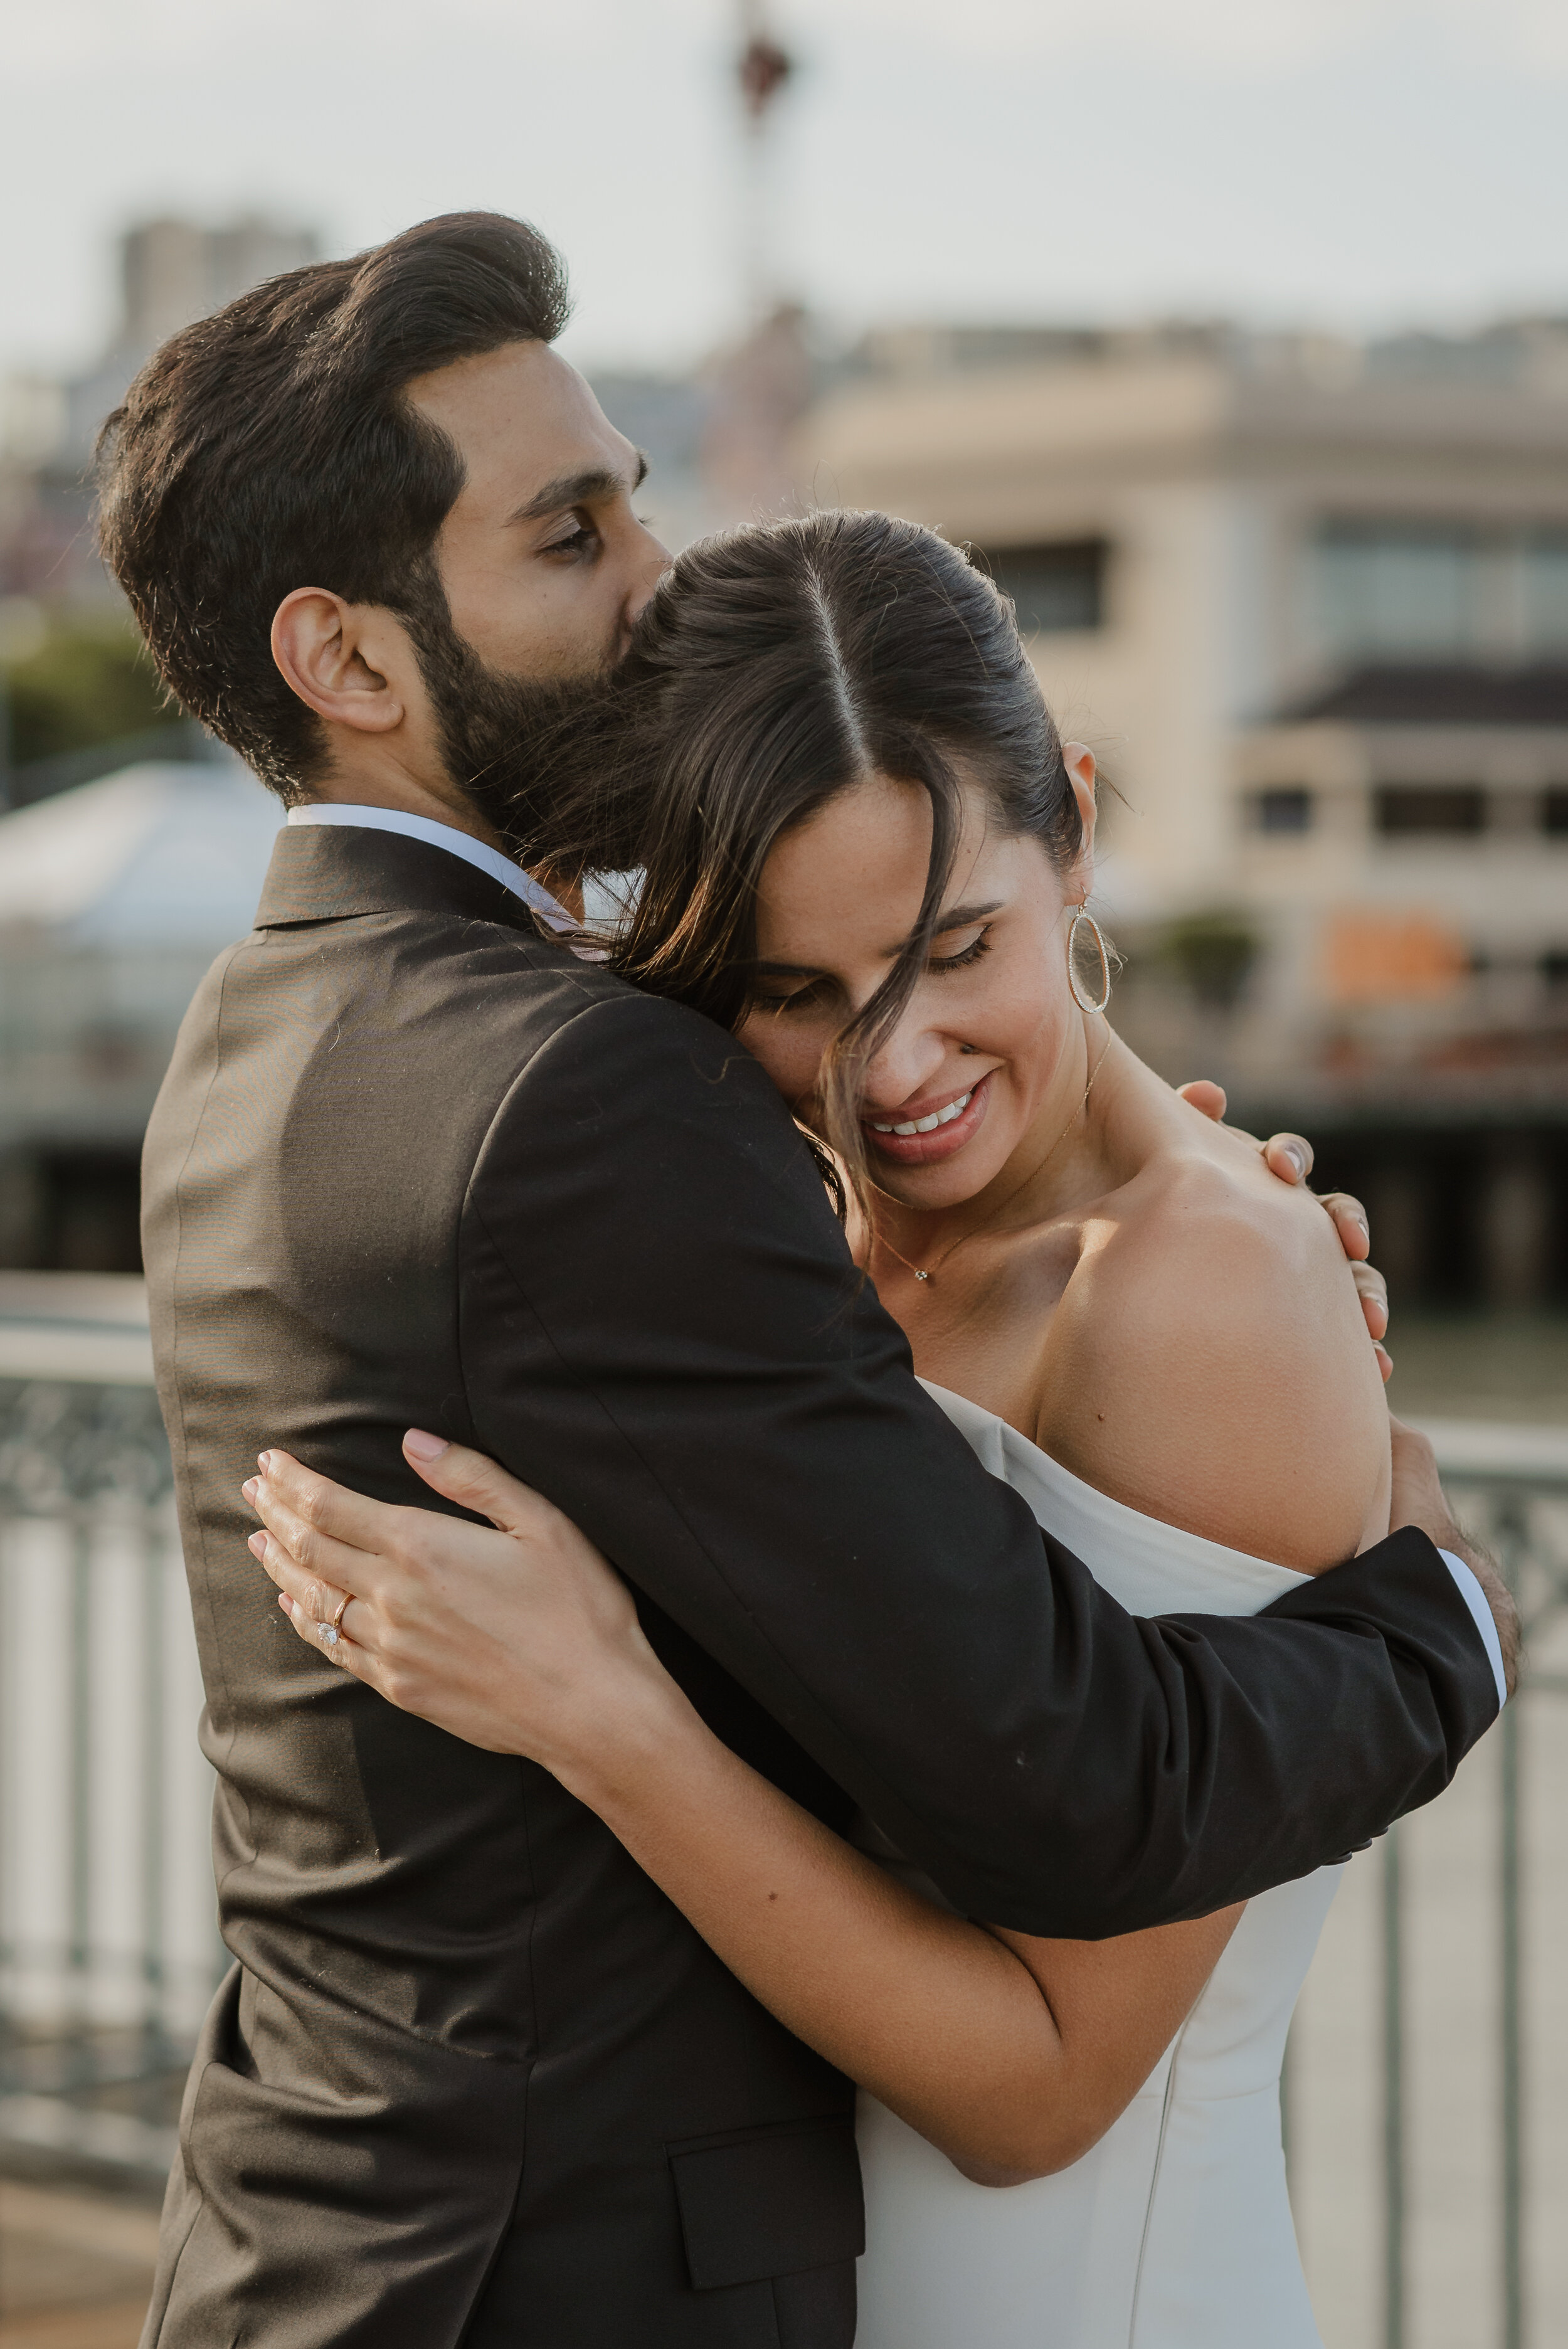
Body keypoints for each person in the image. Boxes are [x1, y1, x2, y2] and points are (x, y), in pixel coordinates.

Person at [96, 211, 1510, 2349]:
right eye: (566, 537)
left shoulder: (263, 1034)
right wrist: (1442, 1618)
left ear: (1075, 846)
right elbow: (1084, 1773)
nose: (650, 581)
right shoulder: (600, 1108)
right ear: (353, 659)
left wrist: (613, 1711)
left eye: (631, 506)